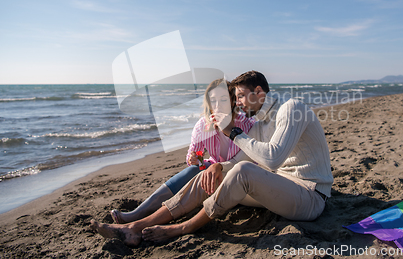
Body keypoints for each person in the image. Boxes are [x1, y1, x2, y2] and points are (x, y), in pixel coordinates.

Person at [90, 71, 333, 246]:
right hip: (283, 190)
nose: (236, 103)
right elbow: (240, 159)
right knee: (212, 173)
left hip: (310, 197)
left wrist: (234, 133)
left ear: (259, 93)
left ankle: (184, 227)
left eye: (239, 96)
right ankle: (135, 227)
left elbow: (271, 160)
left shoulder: (292, 108)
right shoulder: (261, 124)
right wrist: (218, 167)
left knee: (245, 171)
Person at [110, 78, 255, 224]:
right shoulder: (203, 125)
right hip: (213, 172)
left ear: (232, 101)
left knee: (203, 171)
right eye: (213, 100)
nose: (217, 105)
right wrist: (194, 159)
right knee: (193, 170)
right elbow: (196, 156)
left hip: (238, 177)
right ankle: (138, 213)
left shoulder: (247, 124)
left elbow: (252, 158)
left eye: (223, 100)